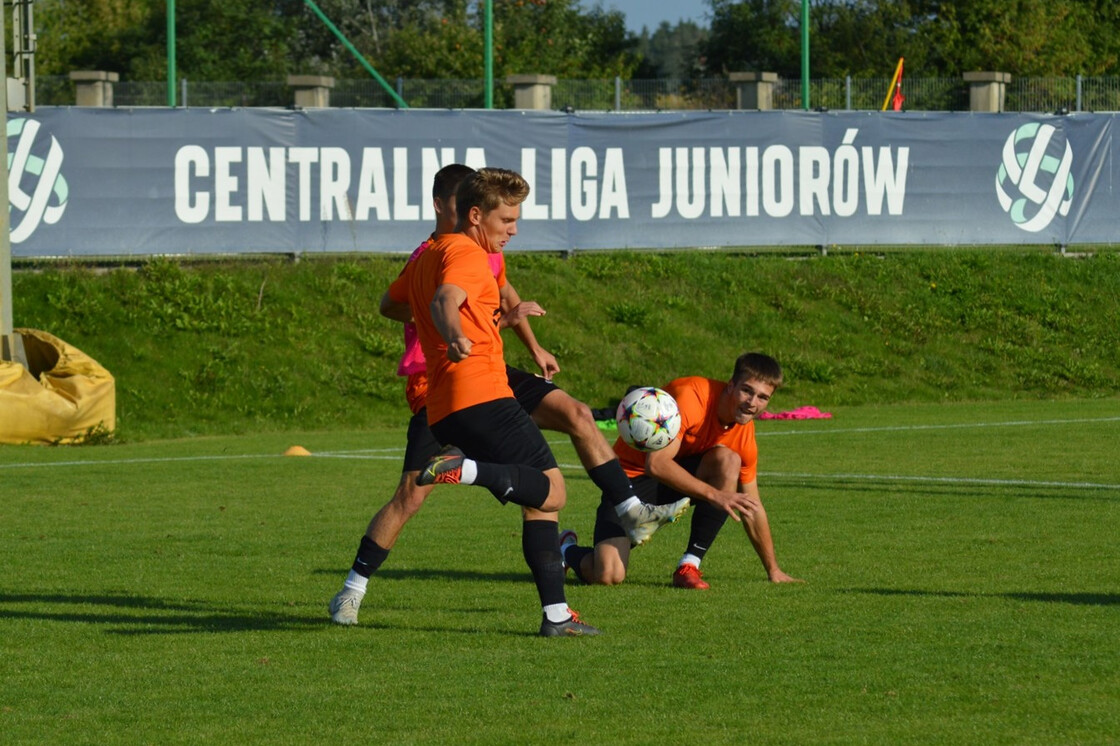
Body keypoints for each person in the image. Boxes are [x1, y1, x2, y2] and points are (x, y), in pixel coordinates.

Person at [329, 166, 683, 635]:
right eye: (507, 221)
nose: (514, 230)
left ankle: (561, 609)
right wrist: (452, 332)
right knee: (542, 490)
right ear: (468, 213)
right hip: (470, 389)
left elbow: (449, 299)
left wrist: (502, 326)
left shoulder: (441, 257)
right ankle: (365, 576)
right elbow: (443, 301)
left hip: (466, 391)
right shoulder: (462, 253)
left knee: (556, 462)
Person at [560, 352, 803, 590]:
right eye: (747, 391)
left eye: (763, 397)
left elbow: (753, 504)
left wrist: (773, 570)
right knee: (607, 574)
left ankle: (689, 565)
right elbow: (655, 464)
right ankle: (565, 547)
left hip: (671, 483)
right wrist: (715, 494)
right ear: (731, 385)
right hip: (628, 481)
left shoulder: (744, 434)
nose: (752, 403)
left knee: (728, 460)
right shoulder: (692, 397)